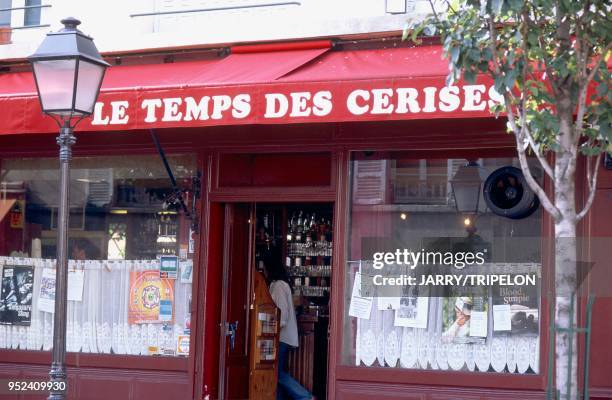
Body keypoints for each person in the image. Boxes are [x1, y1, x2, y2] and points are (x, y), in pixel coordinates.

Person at [262, 256, 314, 400]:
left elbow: (282, 315)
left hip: (281, 337)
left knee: (276, 373)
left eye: (264, 268)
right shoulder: (277, 285)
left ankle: (305, 396)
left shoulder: (279, 286)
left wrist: (269, 327)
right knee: (277, 373)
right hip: (280, 337)